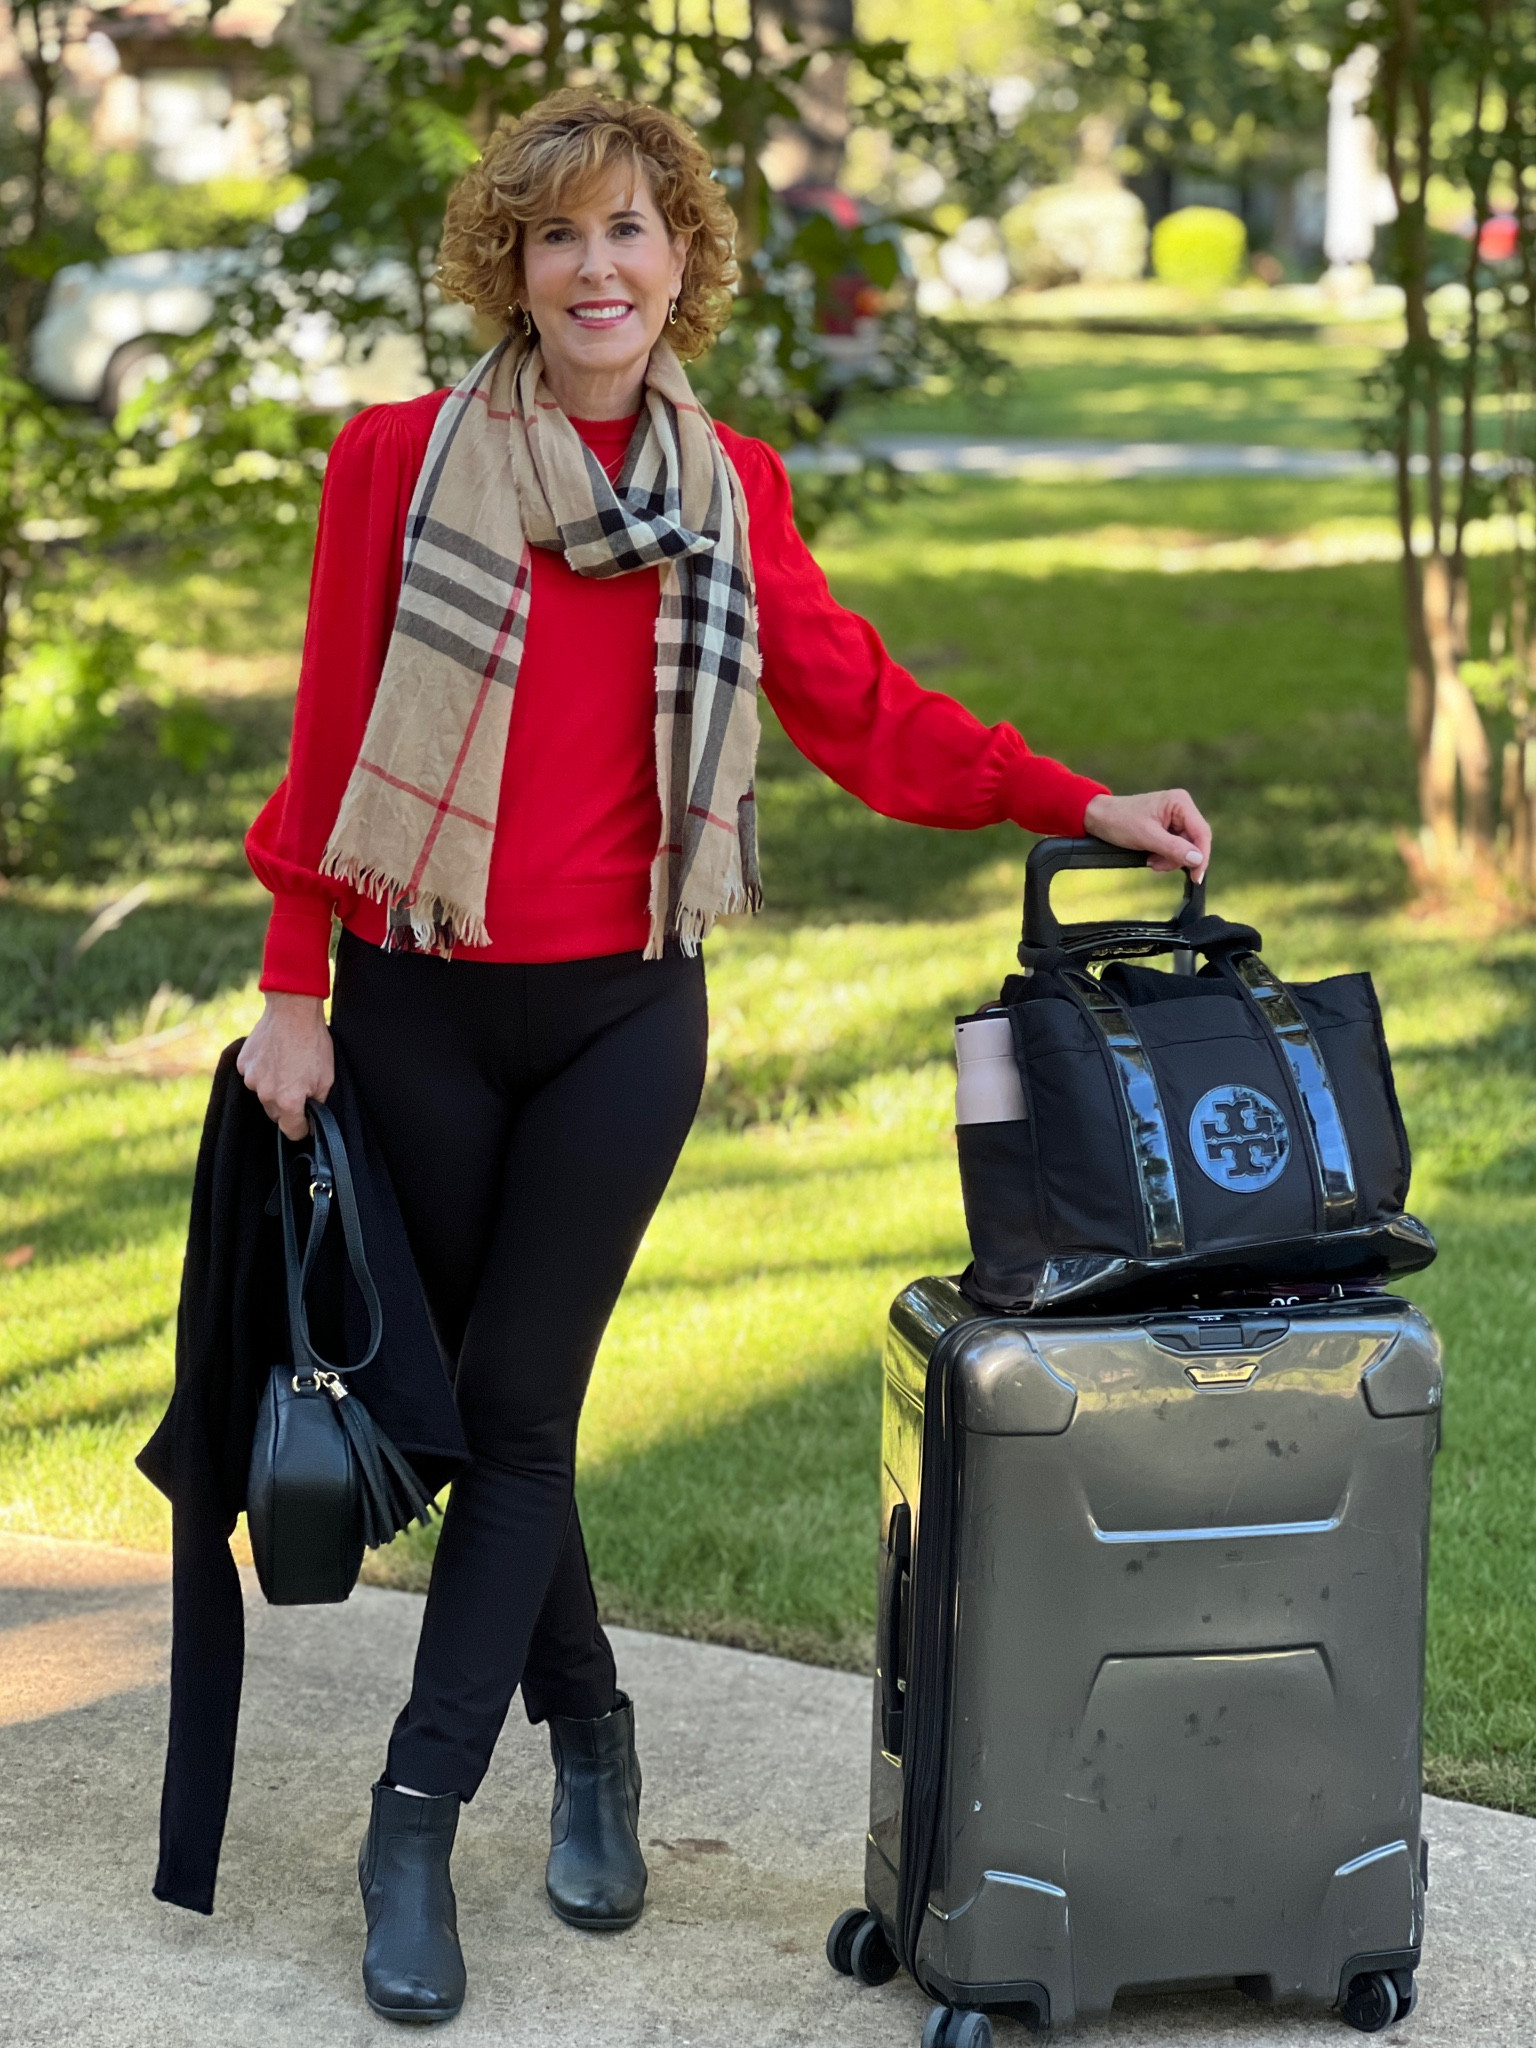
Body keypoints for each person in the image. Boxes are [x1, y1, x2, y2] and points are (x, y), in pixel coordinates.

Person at [237, 88, 1212, 2025]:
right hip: (420, 992)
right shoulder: (391, 464)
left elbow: (860, 705)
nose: (596, 269)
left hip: (623, 1007)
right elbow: (338, 732)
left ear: (682, 266)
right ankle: (592, 1730)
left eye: (631, 234)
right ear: (508, 269)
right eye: (558, 237)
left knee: (513, 1397)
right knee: (493, 1418)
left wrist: (1076, 799)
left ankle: (411, 1820)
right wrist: (291, 986)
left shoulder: (728, 488)